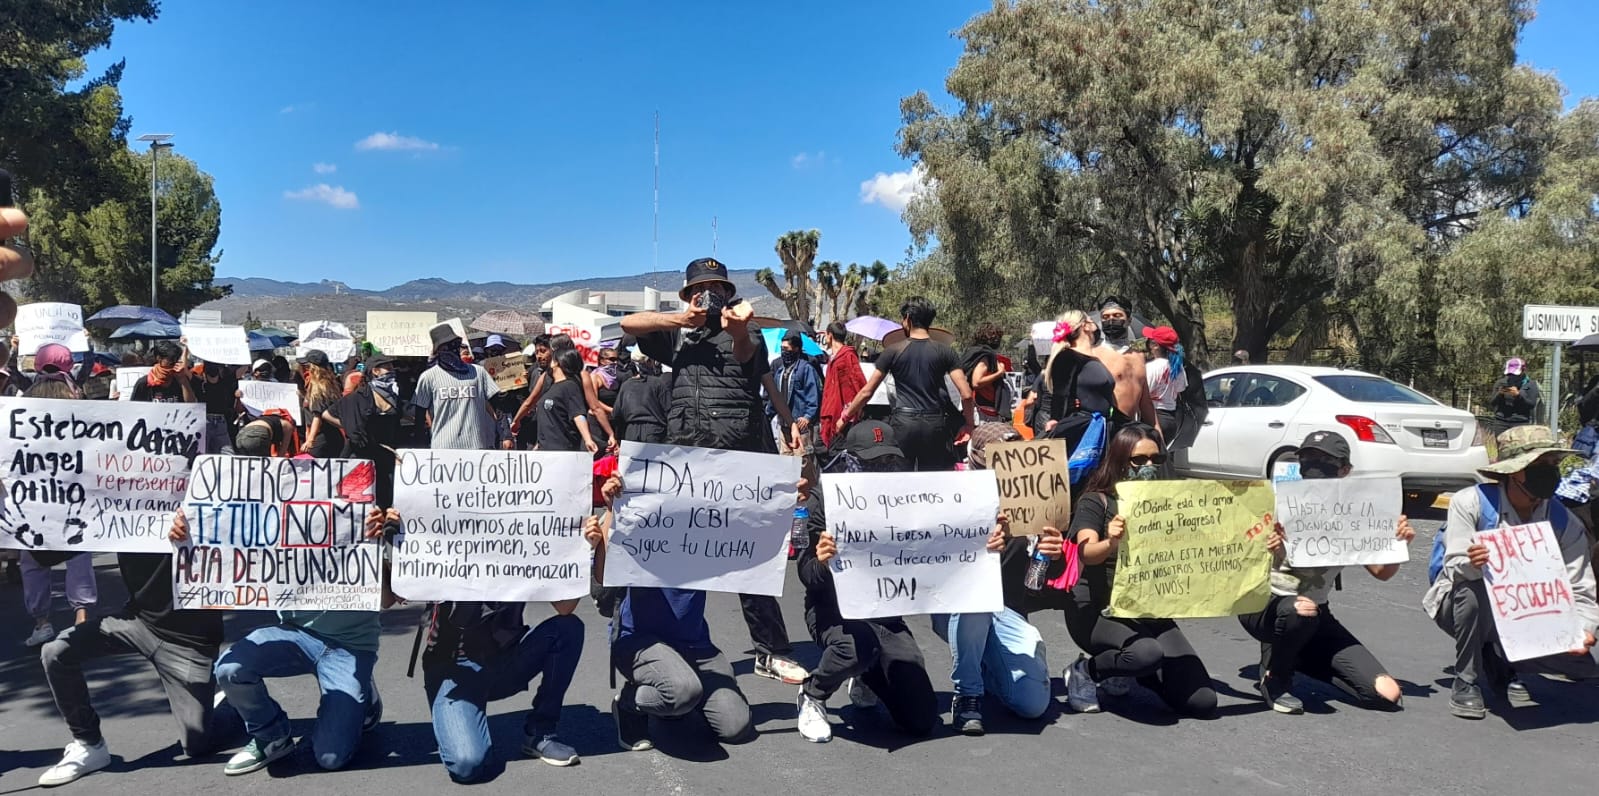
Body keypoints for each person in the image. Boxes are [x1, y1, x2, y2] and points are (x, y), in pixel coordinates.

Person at [622, 256, 808, 685]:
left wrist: (785, 421)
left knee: (752, 558)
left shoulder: (749, 332)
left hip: (741, 458)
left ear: (731, 293)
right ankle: (681, 644)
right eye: (702, 290)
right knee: (684, 557)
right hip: (688, 461)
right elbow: (630, 325)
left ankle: (772, 650)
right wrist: (678, 318)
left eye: (719, 289)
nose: (712, 296)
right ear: (689, 295)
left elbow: (756, 368)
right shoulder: (675, 337)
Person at [34, 492, 243, 785]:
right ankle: (88, 744)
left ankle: (233, 704)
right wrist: (16, 511)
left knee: (198, 743)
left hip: (189, 639)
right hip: (136, 620)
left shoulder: (201, 491)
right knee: (56, 651)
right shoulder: (115, 497)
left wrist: (196, 525)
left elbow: (242, 527)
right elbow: (47, 555)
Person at [1423, 425, 1599, 719]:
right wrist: (1472, 563)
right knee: (1470, 588)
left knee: (1583, 669)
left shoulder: (1563, 521)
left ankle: (1500, 657)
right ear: (1515, 471)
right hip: (1463, 604)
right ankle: (1467, 679)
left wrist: (1584, 629)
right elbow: (1454, 567)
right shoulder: (1471, 503)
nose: (1550, 471)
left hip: (1527, 616)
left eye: (1554, 464)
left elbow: (1580, 585)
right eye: (1540, 464)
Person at [198, 506, 389, 775]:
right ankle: (271, 736)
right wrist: (186, 533)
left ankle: (362, 687)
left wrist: (375, 545)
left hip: (351, 646)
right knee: (230, 668)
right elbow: (219, 549)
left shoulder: (360, 523)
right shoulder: (271, 524)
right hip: (294, 634)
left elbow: (388, 600)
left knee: (331, 757)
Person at [1243, 431, 1414, 714]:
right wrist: (1266, 548)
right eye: (1308, 457)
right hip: (1265, 604)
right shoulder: (1274, 501)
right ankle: (1276, 679)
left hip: (1316, 612)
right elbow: (1237, 561)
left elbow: (1381, 572)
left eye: (1325, 459)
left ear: (1345, 469)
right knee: (1299, 610)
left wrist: (1397, 544)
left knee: (1387, 694)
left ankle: (1297, 656)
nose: (1314, 463)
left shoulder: (1356, 512)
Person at [1054, 424, 1219, 718]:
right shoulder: (1097, 500)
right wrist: (1111, 542)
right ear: (1120, 459)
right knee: (1146, 654)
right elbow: (1087, 553)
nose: (1148, 466)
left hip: (1146, 607)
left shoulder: (1168, 504)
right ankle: (1088, 670)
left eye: (1156, 459)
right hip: (1097, 609)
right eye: (1138, 459)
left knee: (1202, 701)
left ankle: (1134, 670)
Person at [794, 421, 939, 743]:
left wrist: (983, 544)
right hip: (834, 612)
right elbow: (806, 576)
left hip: (885, 613)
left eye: (888, 460)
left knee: (921, 719)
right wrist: (823, 561)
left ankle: (866, 675)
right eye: (871, 460)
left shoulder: (909, 500)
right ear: (850, 458)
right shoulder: (824, 499)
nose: (881, 467)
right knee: (854, 647)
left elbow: (940, 547)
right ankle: (814, 694)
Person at [588, 475, 754, 750]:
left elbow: (754, 535)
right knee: (682, 691)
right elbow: (602, 588)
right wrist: (611, 511)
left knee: (736, 726)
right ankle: (629, 705)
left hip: (695, 645)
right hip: (639, 640)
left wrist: (781, 503)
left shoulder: (703, 523)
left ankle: (680, 698)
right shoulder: (640, 523)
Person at [933, 422, 1056, 734]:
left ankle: (994, 662)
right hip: (960, 605)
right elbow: (935, 567)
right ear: (976, 457)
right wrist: (980, 551)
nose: (1005, 463)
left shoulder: (1036, 499)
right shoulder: (954, 497)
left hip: (1008, 611)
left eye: (1013, 455)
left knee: (1032, 704)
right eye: (997, 456)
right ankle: (968, 694)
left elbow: (1040, 583)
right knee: (974, 598)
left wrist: (1054, 554)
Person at [839, 296, 973, 472]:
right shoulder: (946, 352)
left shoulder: (893, 351)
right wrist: (969, 424)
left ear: (908, 319)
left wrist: (845, 416)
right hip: (935, 424)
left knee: (902, 481)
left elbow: (866, 392)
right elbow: (966, 394)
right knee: (933, 482)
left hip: (904, 423)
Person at [413, 322, 501, 450]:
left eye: (454, 344)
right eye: (446, 347)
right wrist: (420, 448)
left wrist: (506, 435)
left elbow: (497, 406)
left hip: (476, 446)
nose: (452, 349)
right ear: (438, 351)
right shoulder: (428, 377)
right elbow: (420, 416)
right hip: (443, 448)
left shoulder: (478, 372)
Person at [330, 353, 402, 507]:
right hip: (363, 454)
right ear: (375, 371)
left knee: (385, 499)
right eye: (387, 367)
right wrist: (349, 425)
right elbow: (326, 414)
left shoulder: (395, 395)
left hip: (387, 455)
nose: (392, 370)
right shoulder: (358, 397)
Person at [537, 349, 599, 452]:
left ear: (556, 363)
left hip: (562, 449)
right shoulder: (552, 387)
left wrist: (588, 439)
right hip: (546, 449)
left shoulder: (570, 386)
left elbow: (578, 414)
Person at [770, 330, 820, 456]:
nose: (783, 352)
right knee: (786, 464)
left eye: (786, 348)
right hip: (784, 426)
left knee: (803, 464)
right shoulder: (780, 371)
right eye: (782, 348)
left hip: (801, 427)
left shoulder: (806, 369)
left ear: (796, 348)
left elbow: (813, 395)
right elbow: (774, 397)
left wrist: (808, 416)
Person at [817, 321, 866, 447]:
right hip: (830, 413)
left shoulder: (847, 357)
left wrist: (845, 417)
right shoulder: (833, 358)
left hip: (841, 419)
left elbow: (856, 387)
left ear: (830, 335)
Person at [611, 349, 670, 444]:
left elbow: (616, 415)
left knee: (634, 459)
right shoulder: (658, 383)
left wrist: (618, 437)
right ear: (649, 362)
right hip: (654, 432)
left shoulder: (626, 385)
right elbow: (668, 411)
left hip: (631, 433)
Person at [1143, 326, 1187, 446]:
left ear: (1155, 345)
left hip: (1152, 419)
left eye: (1149, 341)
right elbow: (1180, 389)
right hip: (1171, 419)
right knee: (1162, 458)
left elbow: (1145, 393)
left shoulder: (1150, 368)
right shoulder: (1178, 368)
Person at [963, 323, 1012, 425]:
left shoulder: (976, 353)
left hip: (982, 408)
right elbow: (976, 382)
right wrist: (999, 373)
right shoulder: (985, 356)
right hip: (984, 411)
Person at [300, 350, 345, 457]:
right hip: (331, 436)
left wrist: (310, 440)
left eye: (307, 366)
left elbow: (317, 416)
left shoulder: (317, 388)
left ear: (312, 368)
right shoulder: (329, 384)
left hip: (321, 438)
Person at [196, 358, 242, 455]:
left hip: (221, 422)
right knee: (202, 454)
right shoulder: (198, 383)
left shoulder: (225, 382)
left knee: (228, 455)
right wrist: (186, 348)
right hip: (203, 421)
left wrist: (245, 348)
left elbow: (242, 370)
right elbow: (183, 371)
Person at [131, 340, 197, 404]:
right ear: (159, 358)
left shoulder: (179, 379)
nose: (174, 364)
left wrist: (183, 381)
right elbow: (134, 408)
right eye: (171, 361)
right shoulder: (144, 383)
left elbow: (191, 405)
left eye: (176, 360)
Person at [1489, 357, 1541, 434]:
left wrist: (1518, 395)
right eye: (1510, 374)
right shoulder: (1500, 383)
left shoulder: (1531, 385)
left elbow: (1531, 404)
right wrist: (1500, 394)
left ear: (1523, 370)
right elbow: (1492, 402)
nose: (1512, 376)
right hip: (1501, 422)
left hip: (1520, 423)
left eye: (1515, 374)